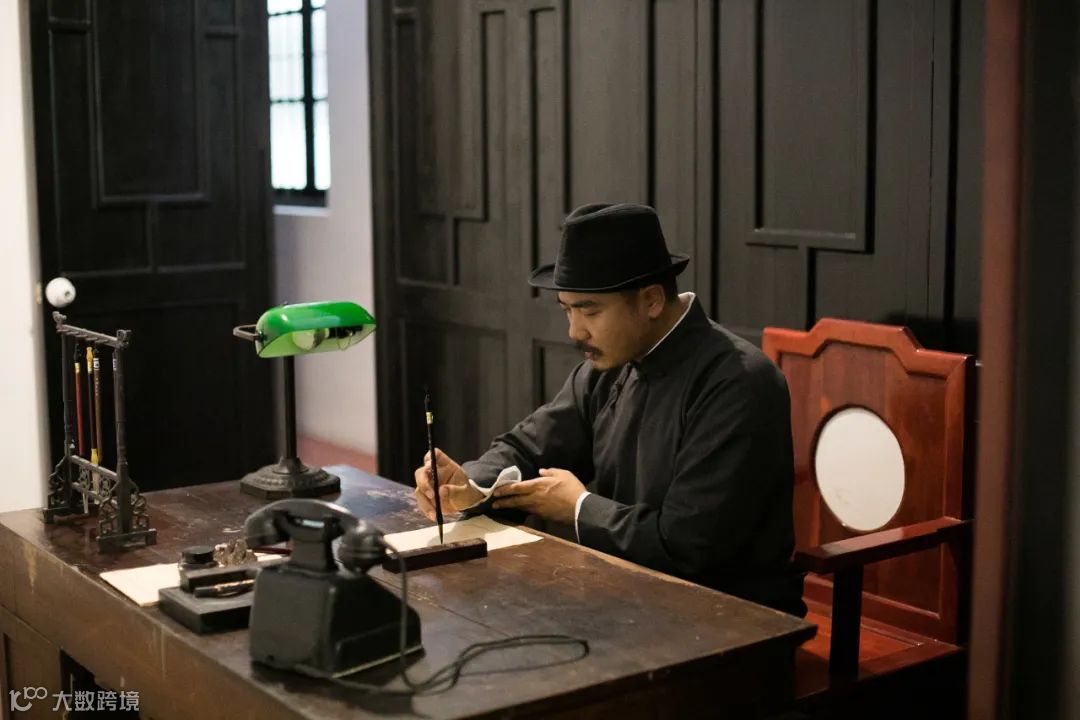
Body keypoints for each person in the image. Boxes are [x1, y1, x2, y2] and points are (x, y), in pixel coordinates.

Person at [413, 203, 805, 616]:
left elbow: (690, 546)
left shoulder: (739, 383)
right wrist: (469, 486)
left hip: (732, 615)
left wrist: (579, 508)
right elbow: (528, 447)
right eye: (567, 310)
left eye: (590, 311)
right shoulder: (608, 366)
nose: (574, 331)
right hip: (627, 595)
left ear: (651, 300)